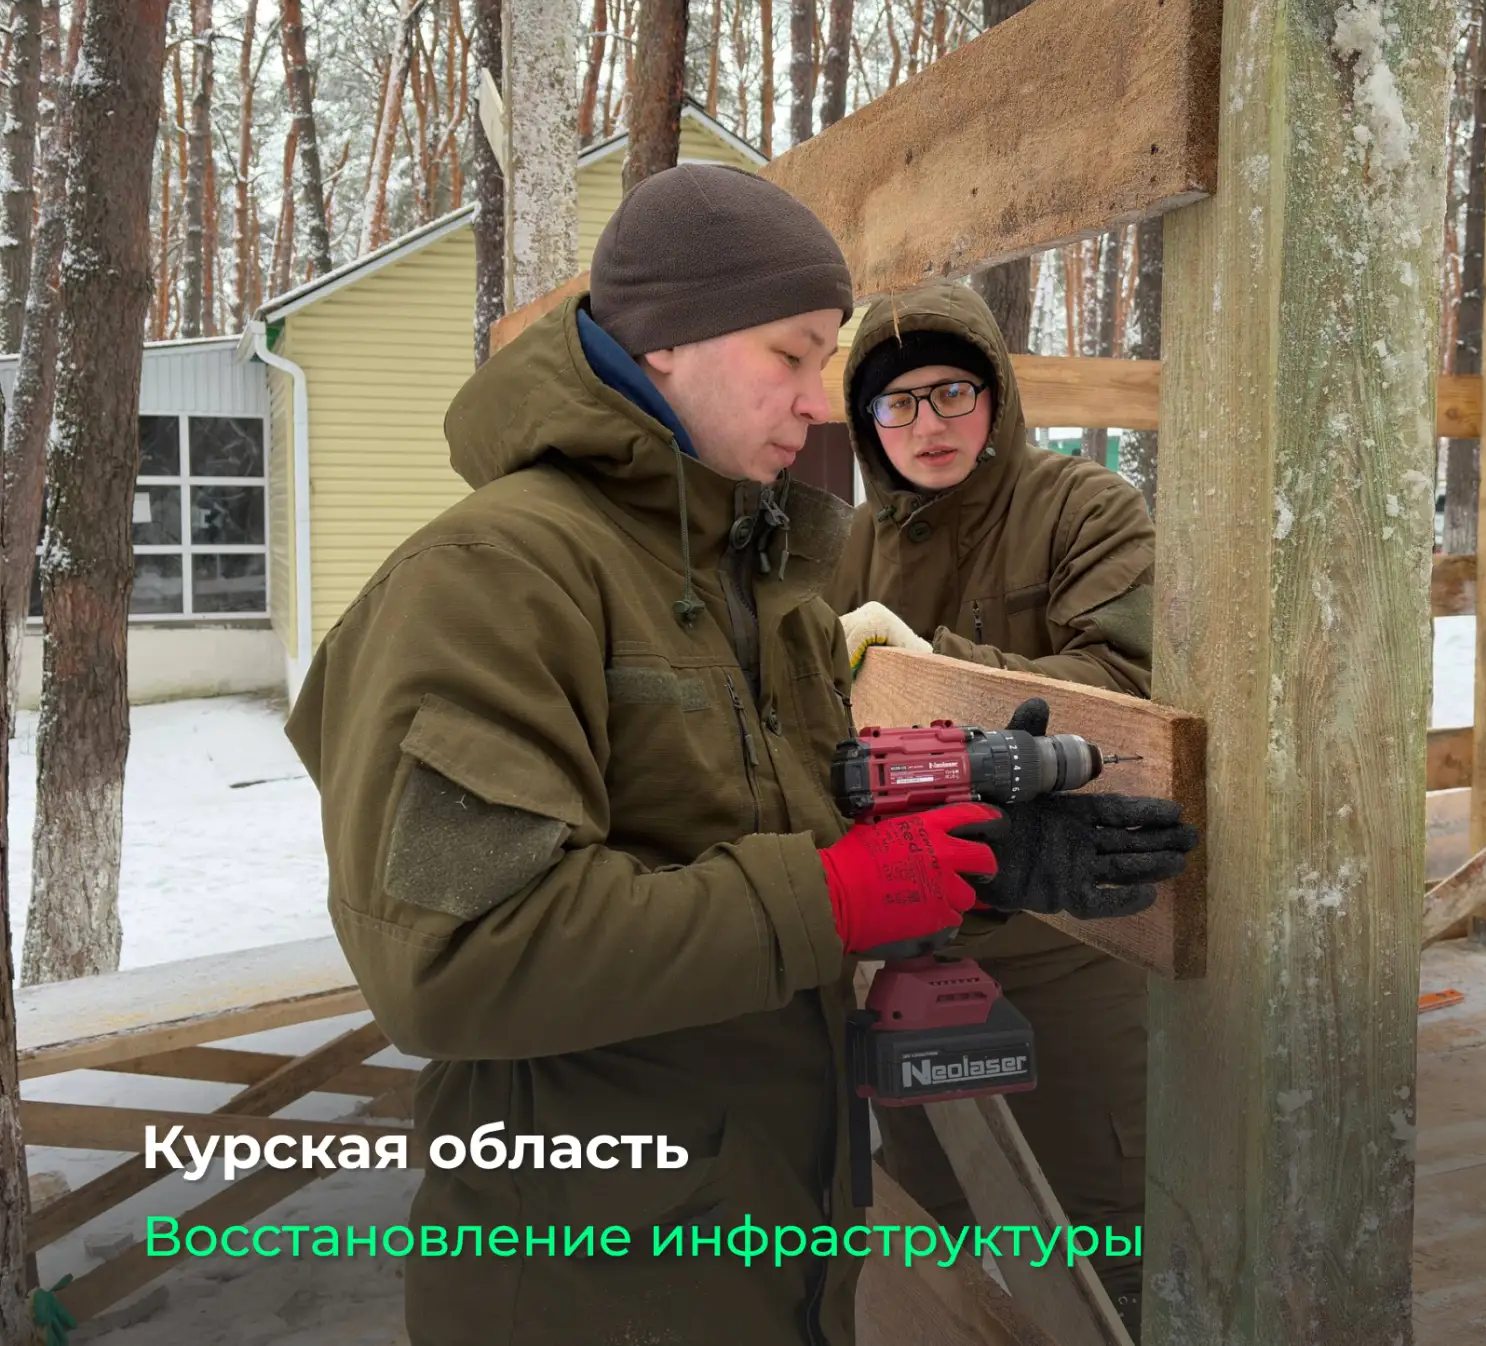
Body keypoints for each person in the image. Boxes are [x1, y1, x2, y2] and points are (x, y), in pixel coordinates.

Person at [286, 167, 1192, 1346]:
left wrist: (981, 857)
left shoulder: (746, 573)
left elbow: (790, 820)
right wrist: (835, 894)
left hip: (771, 1235)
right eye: (792, 355)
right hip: (589, 1275)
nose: (818, 402)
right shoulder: (489, 578)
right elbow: (453, 959)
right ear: (668, 341)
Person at [827, 280, 1162, 1335]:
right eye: (898, 403)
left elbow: (1124, 685)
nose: (927, 424)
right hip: (908, 933)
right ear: (867, 423)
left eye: (951, 392)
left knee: (1101, 1223)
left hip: (1065, 932)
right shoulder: (847, 545)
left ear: (997, 396)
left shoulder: (1084, 507)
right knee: (933, 1216)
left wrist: (925, 672)